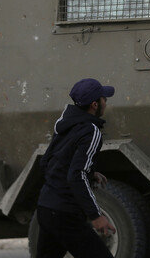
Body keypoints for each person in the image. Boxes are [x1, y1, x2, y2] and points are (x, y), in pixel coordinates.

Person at [36, 78, 117, 258]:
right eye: (104, 99)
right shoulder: (91, 131)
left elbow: (46, 162)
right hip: (65, 214)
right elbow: (77, 175)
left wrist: (90, 172)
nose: (106, 102)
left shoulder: (65, 125)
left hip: (45, 208)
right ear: (95, 105)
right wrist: (96, 216)